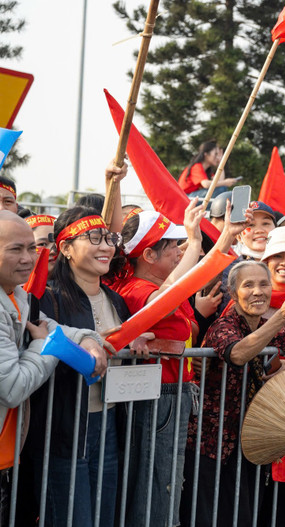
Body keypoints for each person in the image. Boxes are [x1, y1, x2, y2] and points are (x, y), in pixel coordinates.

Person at [110, 199, 245, 526]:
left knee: (167, 480)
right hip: (159, 395)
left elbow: (180, 287)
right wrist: (198, 242)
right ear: (148, 255)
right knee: (157, 481)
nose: (180, 251)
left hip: (173, 394)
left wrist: (224, 238)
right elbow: (168, 298)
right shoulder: (138, 289)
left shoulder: (160, 287)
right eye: (173, 245)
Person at [183, 260, 285, 527]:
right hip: (209, 443)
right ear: (233, 291)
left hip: (251, 442)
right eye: (248, 285)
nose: (258, 291)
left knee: (244, 516)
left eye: (264, 284)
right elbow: (237, 353)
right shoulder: (222, 326)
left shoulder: (271, 326)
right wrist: (281, 318)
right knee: (205, 518)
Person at [29, 206, 140, 527]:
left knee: (104, 517)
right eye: (93, 238)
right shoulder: (47, 299)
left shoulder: (115, 300)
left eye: (108, 238)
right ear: (64, 248)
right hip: (62, 428)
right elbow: (43, 354)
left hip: (107, 423)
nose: (106, 247)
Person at [0, 211, 106, 523]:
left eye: (31, 248)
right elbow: (13, 387)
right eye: (15, 249)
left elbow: (51, 326)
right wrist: (47, 348)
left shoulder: (18, 295)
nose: (28, 258)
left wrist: (89, 341)